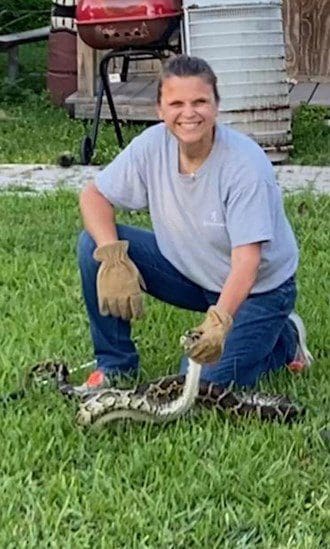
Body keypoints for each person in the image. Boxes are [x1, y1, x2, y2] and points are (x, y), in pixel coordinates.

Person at [77, 54, 313, 392]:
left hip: (258, 290)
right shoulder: (151, 145)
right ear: (160, 109)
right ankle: (115, 365)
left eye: (200, 101)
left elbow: (247, 263)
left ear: (216, 106)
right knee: (93, 245)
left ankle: (284, 340)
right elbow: (93, 195)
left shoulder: (245, 166)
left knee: (201, 381)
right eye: (176, 103)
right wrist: (113, 258)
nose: (188, 113)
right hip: (191, 272)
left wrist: (218, 323)